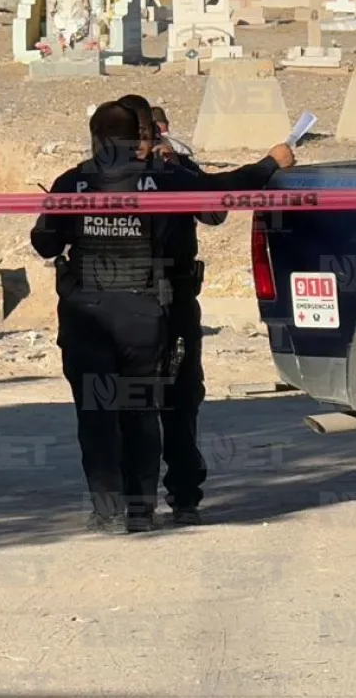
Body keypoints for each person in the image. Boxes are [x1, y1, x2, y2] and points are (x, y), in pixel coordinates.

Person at [30, 102, 295, 535]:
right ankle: (140, 509)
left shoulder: (71, 182)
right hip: (143, 314)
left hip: (86, 316)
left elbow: (43, 244)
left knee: (96, 416)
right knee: (140, 411)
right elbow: (224, 191)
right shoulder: (165, 181)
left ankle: (109, 510)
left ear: (96, 139)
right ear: (137, 138)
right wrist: (270, 163)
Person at [118, 95, 221, 526]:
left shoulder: (176, 171)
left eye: (145, 134)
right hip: (126, 305)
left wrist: (180, 169)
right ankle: (138, 501)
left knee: (180, 399)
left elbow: (213, 212)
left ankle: (184, 495)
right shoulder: (102, 175)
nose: (140, 144)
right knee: (134, 404)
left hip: (175, 299)